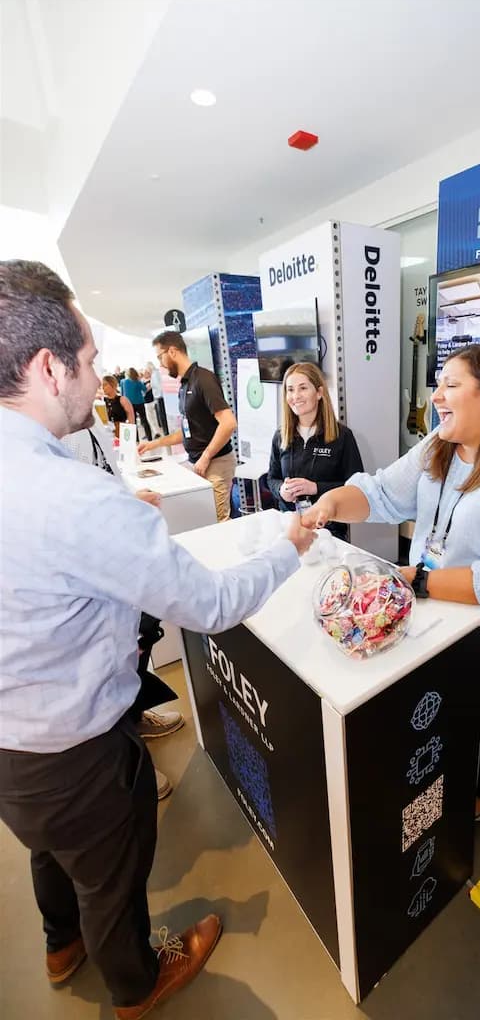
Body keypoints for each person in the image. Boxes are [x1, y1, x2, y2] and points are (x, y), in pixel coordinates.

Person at [0, 260, 315, 1019]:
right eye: (86, 358)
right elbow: (207, 603)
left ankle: (59, 944)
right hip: (76, 751)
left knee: (50, 854)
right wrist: (288, 549)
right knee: (109, 876)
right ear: (47, 369)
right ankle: (138, 986)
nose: (98, 370)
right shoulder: (68, 495)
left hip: (14, 749)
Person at [301, 343, 480, 820]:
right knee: (450, 711)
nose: (437, 396)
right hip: (441, 602)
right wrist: (329, 506)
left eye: (451, 384)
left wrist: (416, 581)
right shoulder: (439, 446)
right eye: (437, 384)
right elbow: (382, 491)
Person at [61, 421, 182, 802]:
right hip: (88, 572)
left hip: (120, 553)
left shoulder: (87, 422)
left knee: (140, 639)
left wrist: (132, 498)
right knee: (104, 662)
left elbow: (108, 478)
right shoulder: (42, 435)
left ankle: (137, 718)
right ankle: (134, 764)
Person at [138, 332, 236, 522]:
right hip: (199, 464)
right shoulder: (185, 384)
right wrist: (153, 444)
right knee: (206, 521)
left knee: (218, 523)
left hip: (215, 464)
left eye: (160, 357)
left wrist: (206, 457)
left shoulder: (204, 379)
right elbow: (187, 431)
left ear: (172, 351)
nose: (160, 364)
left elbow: (228, 423)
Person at [267, 362, 363, 540]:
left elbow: (357, 488)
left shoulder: (342, 436)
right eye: (290, 389)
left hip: (329, 530)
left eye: (303, 388)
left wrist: (316, 488)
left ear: (319, 393)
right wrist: (281, 490)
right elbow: (271, 478)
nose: (295, 396)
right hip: (291, 527)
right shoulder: (281, 436)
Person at [121, 366, 152, 442]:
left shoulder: (123, 382)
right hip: (139, 403)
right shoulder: (138, 382)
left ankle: (136, 439)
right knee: (144, 420)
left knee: (133, 421)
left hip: (129, 404)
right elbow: (144, 389)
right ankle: (150, 438)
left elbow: (122, 393)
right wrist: (149, 386)